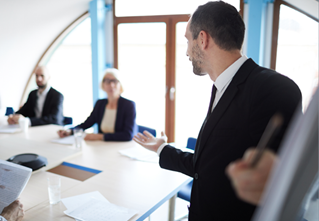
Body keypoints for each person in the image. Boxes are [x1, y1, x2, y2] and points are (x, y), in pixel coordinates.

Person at [133, 2, 302, 220]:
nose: (186, 52)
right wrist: (161, 148)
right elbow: (208, 164)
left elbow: (286, 180)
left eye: (187, 40)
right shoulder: (221, 87)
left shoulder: (272, 88)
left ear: (202, 39)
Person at [57, 68, 137, 141]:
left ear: (120, 84)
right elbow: (87, 123)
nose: (111, 85)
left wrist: (100, 136)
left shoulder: (129, 105)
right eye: (107, 81)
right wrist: (70, 131)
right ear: (103, 85)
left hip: (121, 147)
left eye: (115, 81)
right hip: (102, 146)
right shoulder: (100, 104)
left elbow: (128, 135)